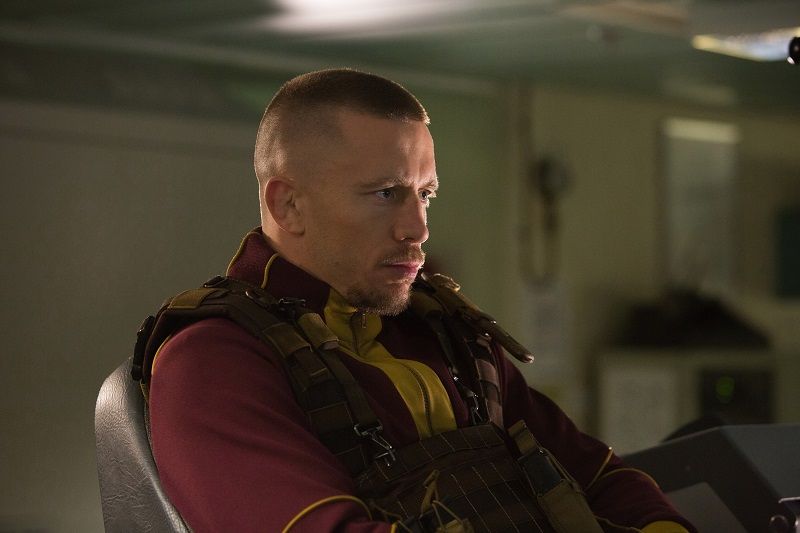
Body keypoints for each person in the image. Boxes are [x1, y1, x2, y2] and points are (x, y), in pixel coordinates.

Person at [147, 68, 694, 532]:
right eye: (385, 193)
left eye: (425, 194)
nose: (418, 228)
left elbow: (595, 475)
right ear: (288, 204)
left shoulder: (443, 331)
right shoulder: (214, 362)